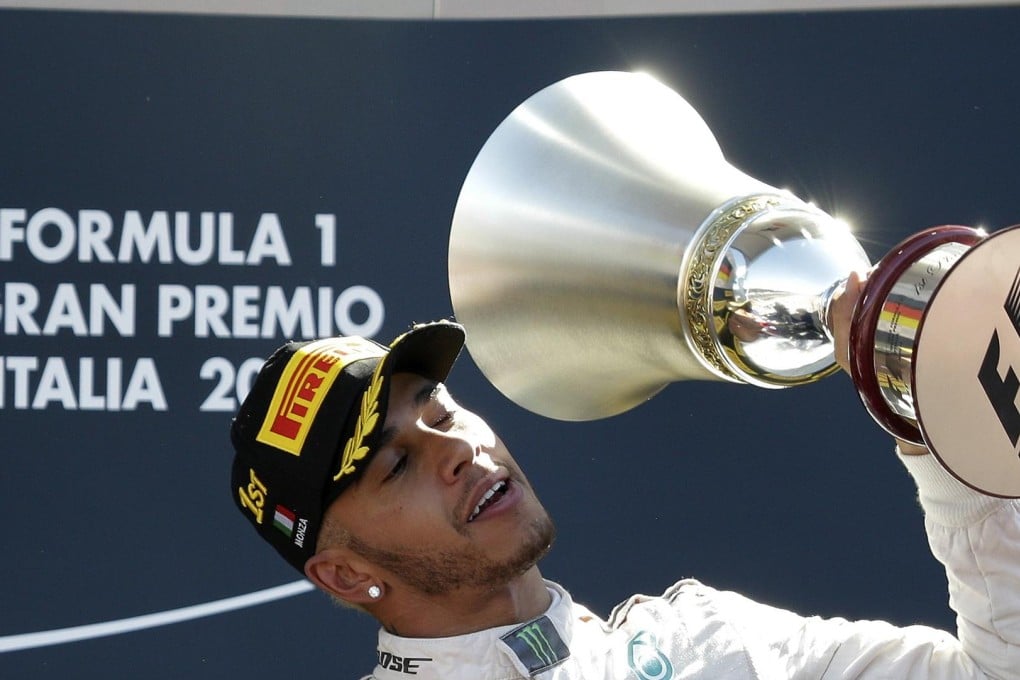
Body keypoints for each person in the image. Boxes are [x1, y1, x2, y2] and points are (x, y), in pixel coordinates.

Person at [230, 272, 1020, 679]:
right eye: (397, 464)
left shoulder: (710, 640)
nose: (456, 448)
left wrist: (939, 426)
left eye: (438, 407)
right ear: (343, 572)